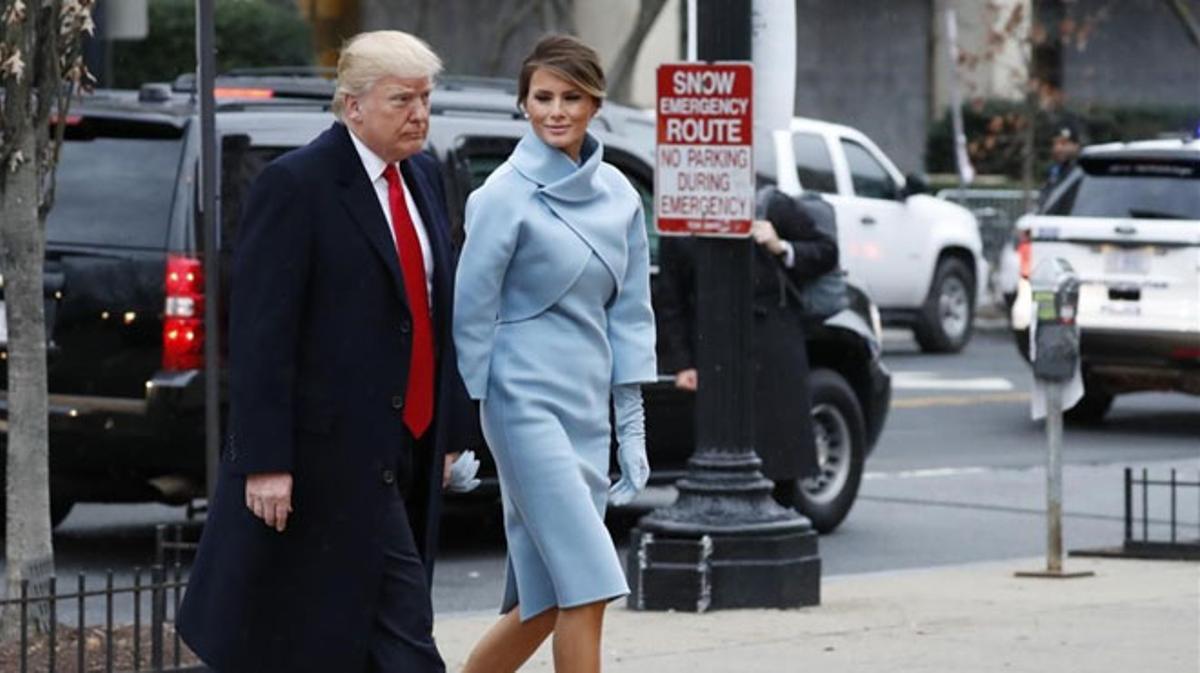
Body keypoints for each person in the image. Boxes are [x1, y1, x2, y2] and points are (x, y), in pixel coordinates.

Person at [178, 31, 474, 673]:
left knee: (361, 626)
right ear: (352, 106)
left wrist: (448, 427)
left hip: (408, 442)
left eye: (426, 98)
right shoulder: (297, 185)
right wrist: (264, 461)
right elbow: (261, 332)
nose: (419, 114)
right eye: (402, 100)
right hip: (328, 453)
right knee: (405, 633)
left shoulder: (422, 175)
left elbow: (431, 313)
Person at [453, 35, 657, 673]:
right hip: (521, 403)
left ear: (595, 103)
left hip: (586, 408)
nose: (556, 110)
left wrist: (631, 424)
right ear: (523, 104)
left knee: (543, 602)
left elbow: (629, 314)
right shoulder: (501, 196)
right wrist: (462, 432)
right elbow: (469, 318)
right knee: (591, 584)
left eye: (571, 96)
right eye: (542, 97)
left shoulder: (622, 194)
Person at [656, 190, 838, 509]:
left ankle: (778, 523)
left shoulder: (768, 204)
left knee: (778, 459)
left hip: (771, 343)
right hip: (712, 349)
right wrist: (683, 363)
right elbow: (671, 300)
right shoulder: (681, 215)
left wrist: (781, 246)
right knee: (718, 458)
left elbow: (826, 251)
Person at [1039, 121, 1082, 208]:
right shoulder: (1053, 171)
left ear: (1076, 145)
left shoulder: (1085, 171)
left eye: (1063, 143)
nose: (1058, 148)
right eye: (1055, 143)